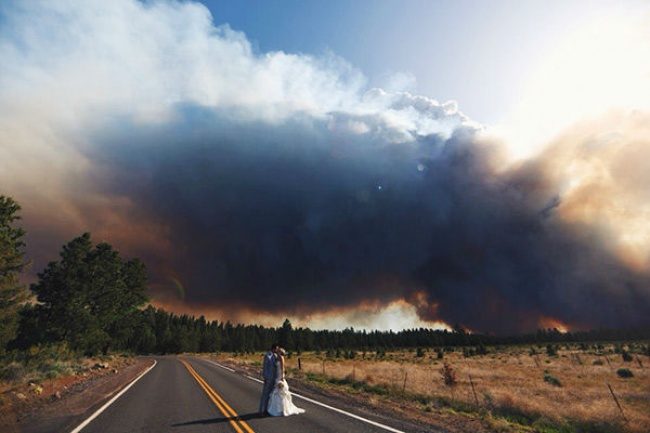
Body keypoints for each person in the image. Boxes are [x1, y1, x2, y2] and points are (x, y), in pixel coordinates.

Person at [267, 348, 305, 416]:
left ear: (280, 352)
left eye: (278, 352)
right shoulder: (277, 358)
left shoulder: (281, 358)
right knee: (277, 393)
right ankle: (278, 409)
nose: (277, 352)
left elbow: (283, 368)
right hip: (277, 375)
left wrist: (282, 377)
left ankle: (283, 409)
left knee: (281, 393)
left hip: (280, 375)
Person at [259, 343, 279, 415]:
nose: (277, 350)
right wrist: (265, 377)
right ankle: (261, 410)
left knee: (271, 395)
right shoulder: (268, 355)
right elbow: (265, 367)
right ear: (273, 348)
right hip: (268, 377)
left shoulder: (275, 355)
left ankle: (267, 410)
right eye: (276, 349)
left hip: (273, 378)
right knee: (265, 395)